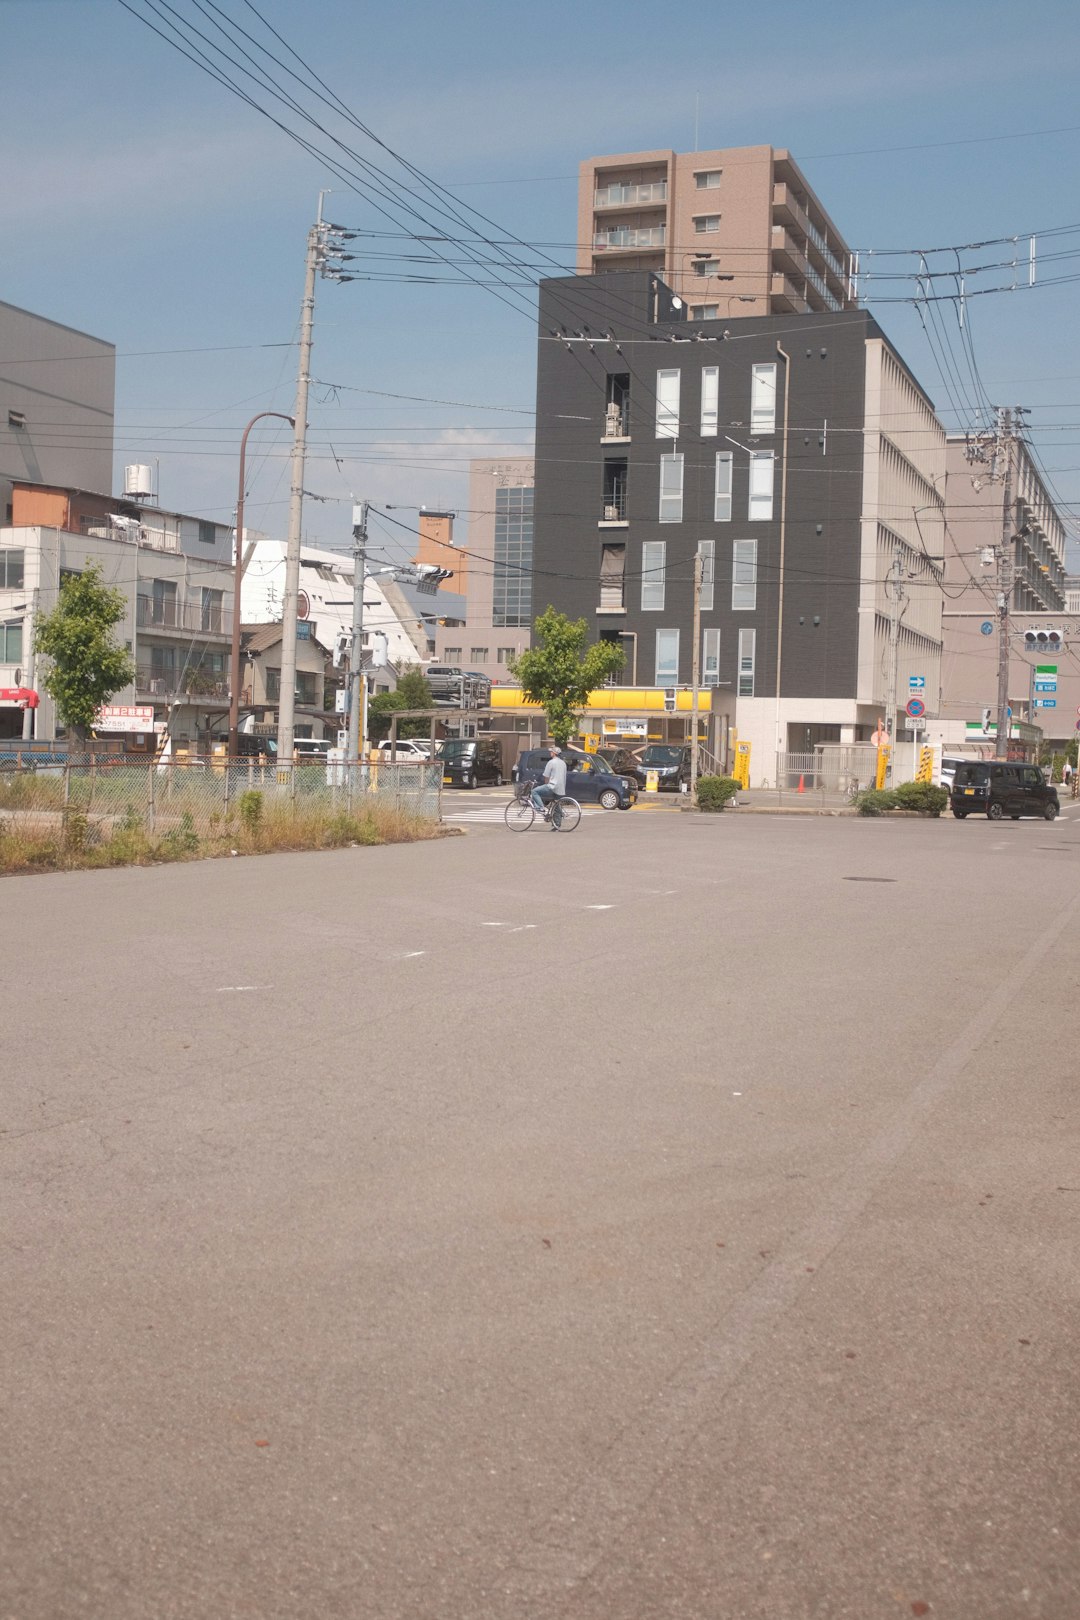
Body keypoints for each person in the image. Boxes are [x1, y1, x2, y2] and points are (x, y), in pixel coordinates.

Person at [531, 744, 568, 829]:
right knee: (556, 803)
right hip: (561, 788)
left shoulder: (551, 762)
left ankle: (541, 808)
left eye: (551, 751)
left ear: (554, 753)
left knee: (534, 791)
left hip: (552, 786)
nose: (550, 753)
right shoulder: (563, 763)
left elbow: (546, 776)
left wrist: (546, 784)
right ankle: (557, 824)